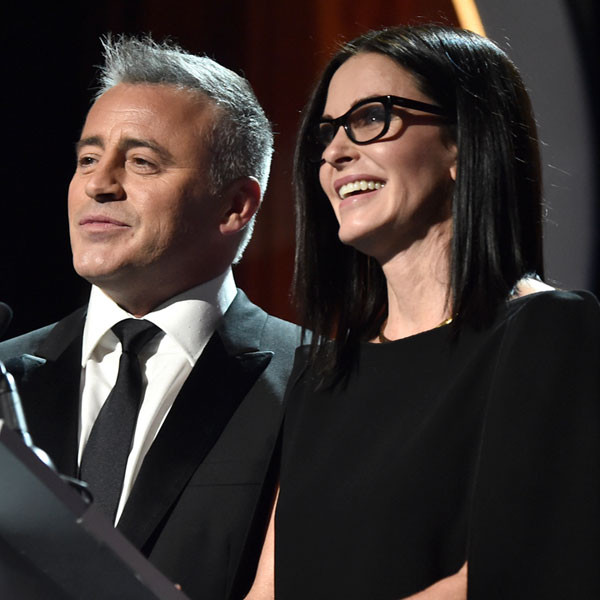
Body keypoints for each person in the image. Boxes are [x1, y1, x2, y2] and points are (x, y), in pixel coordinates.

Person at [245, 25, 600, 599]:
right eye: (327, 133)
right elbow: (271, 588)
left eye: (370, 118)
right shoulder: (323, 376)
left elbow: (508, 574)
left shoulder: (548, 331)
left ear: (463, 141)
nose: (335, 152)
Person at [0, 35, 301, 600]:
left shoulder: (317, 379)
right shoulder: (3, 373)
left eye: (141, 162)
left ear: (236, 205)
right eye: (87, 159)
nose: (98, 184)